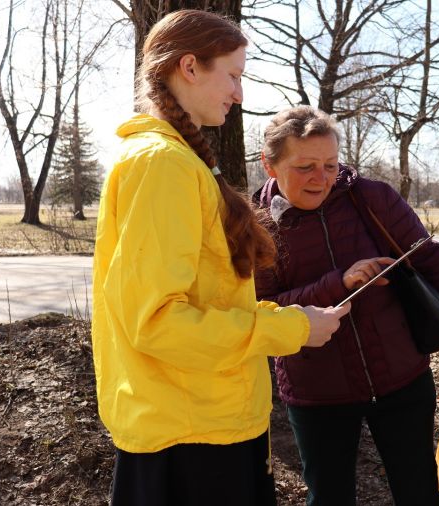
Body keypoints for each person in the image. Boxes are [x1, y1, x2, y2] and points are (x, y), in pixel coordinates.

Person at [91, 11, 349, 506]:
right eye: (233, 75)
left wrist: (290, 317)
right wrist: (289, 331)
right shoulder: (161, 165)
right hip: (192, 440)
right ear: (190, 67)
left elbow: (205, 298)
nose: (239, 93)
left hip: (200, 421)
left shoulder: (177, 160)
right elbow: (158, 322)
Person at [253, 105, 439, 506]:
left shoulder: (372, 198)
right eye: (306, 166)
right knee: (329, 498)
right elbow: (264, 308)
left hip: (401, 376)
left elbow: (427, 257)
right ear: (270, 165)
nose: (321, 178)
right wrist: (338, 283)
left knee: (418, 491)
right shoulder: (256, 225)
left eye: (330, 164)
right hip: (316, 391)